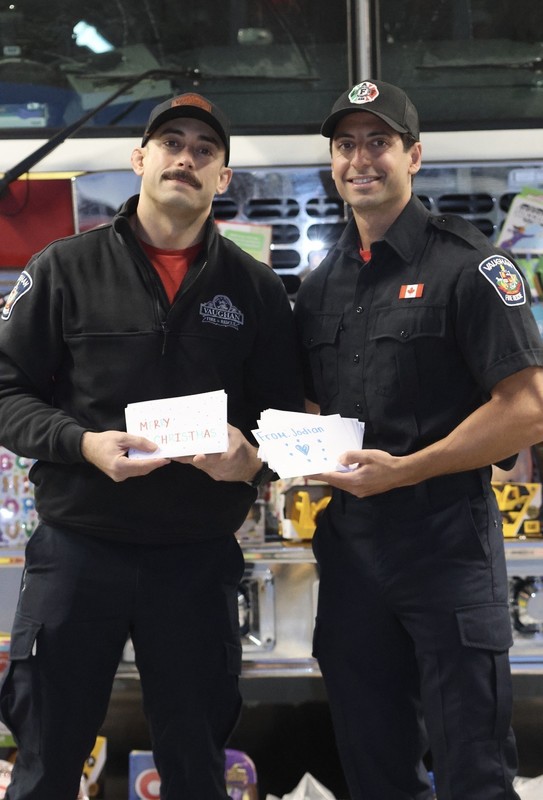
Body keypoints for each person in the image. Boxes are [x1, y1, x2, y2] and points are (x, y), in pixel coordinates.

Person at [0, 92, 303, 800]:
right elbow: (7, 393)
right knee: (46, 756)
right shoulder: (62, 269)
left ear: (222, 178)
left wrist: (252, 456)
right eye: (172, 143)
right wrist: (82, 444)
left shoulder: (254, 289)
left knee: (197, 763)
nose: (186, 159)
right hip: (77, 551)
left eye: (205, 150)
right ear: (140, 159)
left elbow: (288, 416)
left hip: (195, 564)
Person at [293, 79, 543, 800]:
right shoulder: (320, 284)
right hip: (349, 553)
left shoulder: (471, 267)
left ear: (414, 157)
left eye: (378, 143)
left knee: (471, 767)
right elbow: (312, 402)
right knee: (371, 766)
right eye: (345, 145)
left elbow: (525, 408)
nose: (359, 159)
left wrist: (406, 470)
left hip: (445, 546)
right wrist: (287, 455)